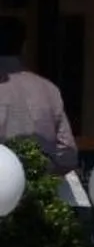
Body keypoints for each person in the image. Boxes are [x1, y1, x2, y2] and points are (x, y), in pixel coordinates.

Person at [0, 20, 77, 177]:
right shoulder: (48, 89)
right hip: (39, 188)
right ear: (24, 47)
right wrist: (41, 172)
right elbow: (68, 152)